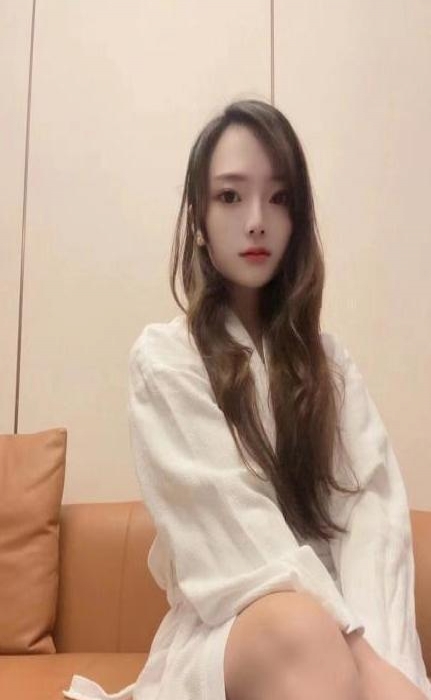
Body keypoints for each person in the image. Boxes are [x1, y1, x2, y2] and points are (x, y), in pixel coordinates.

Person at [64, 99, 431, 700]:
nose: (256, 221)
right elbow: (234, 537)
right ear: (199, 219)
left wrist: (388, 664)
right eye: (231, 196)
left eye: (278, 198)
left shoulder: (331, 365)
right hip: (234, 631)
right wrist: (360, 655)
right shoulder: (166, 359)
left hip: (348, 642)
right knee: (300, 631)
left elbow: (373, 523)